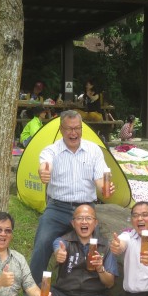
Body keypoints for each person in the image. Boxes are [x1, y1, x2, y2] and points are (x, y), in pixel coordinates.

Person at [29, 110, 113, 284]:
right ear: (61, 129)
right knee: (42, 242)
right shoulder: (51, 150)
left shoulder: (94, 150)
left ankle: (95, 287)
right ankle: (33, 289)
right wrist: (44, 173)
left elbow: (100, 179)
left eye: (77, 128)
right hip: (58, 207)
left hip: (85, 208)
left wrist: (105, 188)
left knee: (96, 245)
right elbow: (45, 165)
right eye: (69, 129)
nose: (73, 133)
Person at [50, 204, 118, 296]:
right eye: (80, 218)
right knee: (44, 289)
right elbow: (58, 247)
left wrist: (100, 269)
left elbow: (110, 283)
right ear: (73, 223)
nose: (84, 222)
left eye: (88, 218)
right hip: (65, 295)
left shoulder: (105, 246)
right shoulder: (64, 241)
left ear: (95, 223)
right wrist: (59, 253)